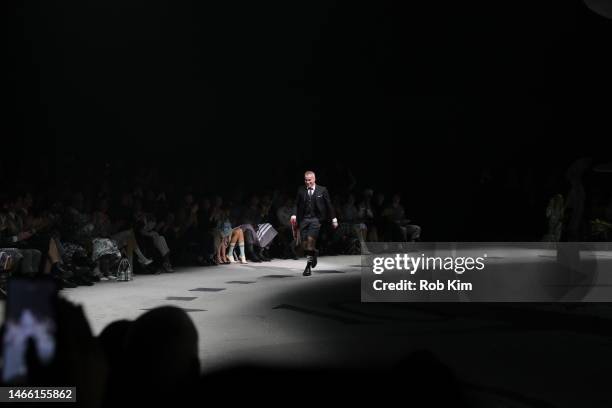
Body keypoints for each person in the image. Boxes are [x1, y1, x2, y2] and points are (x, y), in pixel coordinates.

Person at [291, 171, 338, 276]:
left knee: (310, 242)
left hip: (316, 220)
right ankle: (314, 253)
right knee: (304, 246)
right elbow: (296, 204)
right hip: (304, 220)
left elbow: (329, 205)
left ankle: (308, 267)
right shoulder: (301, 190)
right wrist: (294, 214)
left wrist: (334, 218)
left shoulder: (322, 190)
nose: (307, 182)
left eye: (309, 180)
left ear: (314, 179)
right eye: (306, 180)